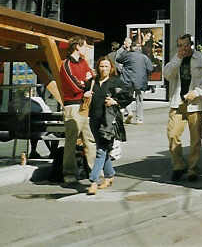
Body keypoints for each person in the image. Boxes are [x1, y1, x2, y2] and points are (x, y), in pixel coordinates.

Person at [163, 34, 202, 182]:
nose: (183, 48)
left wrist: (196, 92)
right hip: (177, 103)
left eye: (186, 45)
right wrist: (177, 59)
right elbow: (167, 75)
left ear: (192, 45)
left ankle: (193, 168)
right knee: (173, 134)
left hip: (196, 103)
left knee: (195, 139)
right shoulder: (176, 58)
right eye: (180, 45)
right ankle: (179, 165)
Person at [85, 57, 132, 195]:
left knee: (101, 150)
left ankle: (93, 180)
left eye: (106, 66)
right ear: (97, 68)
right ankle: (110, 175)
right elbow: (83, 93)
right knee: (103, 149)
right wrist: (85, 95)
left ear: (111, 68)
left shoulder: (115, 82)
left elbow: (129, 95)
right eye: (101, 66)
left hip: (109, 120)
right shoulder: (92, 82)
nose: (103, 69)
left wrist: (115, 101)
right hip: (94, 119)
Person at [58, 36, 97, 183]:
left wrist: (86, 82)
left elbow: (92, 77)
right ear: (77, 47)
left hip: (85, 104)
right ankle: (69, 172)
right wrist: (85, 84)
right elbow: (73, 85)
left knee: (90, 139)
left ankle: (94, 170)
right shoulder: (66, 64)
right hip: (73, 105)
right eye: (85, 46)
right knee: (71, 140)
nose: (86, 49)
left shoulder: (83, 62)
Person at [116, 37, 154, 124]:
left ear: (131, 48)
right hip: (141, 82)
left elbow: (118, 59)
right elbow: (150, 68)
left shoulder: (127, 55)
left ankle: (129, 113)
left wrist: (125, 50)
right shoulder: (144, 57)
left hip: (128, 81)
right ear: (139, 49)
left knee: (126, 98)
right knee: (139, 100)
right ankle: (139, 119)